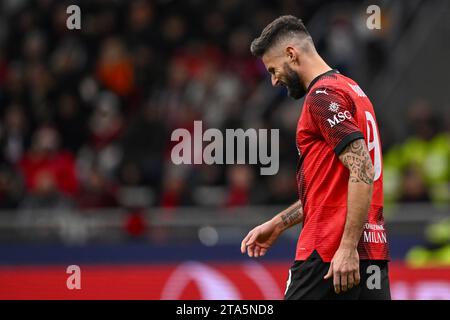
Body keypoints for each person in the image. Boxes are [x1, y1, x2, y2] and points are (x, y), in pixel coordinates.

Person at [240, 15, 390, 300]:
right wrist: (280, 223)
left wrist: (345, 248)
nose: (273, 81)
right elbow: (332, 187)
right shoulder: (352, 90)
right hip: (371, 253)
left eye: (273, 69)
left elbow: (362, 170)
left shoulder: (322, 96)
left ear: (291, 54)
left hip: (329, 253)